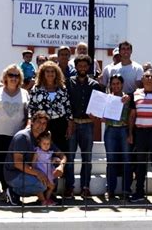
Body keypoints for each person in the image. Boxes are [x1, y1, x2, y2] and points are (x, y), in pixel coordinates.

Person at [0, 64, 30, 200]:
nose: (13, 78)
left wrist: (26, 130)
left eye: (16, 76)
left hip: (16, 136)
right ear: (5, 77)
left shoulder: (25, 93)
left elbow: (28, 115)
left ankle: (10, 190)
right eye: (11, 75)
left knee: (12, 164)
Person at [4, 111, 65, 205]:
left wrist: (61, 166)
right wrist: (38, 173)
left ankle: (44, 196)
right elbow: (18, 163)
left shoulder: (44, 138)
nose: (41, 125)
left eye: (44, 123)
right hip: (14, 173)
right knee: (42, 185)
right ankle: (13, 191)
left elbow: (62, 155)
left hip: (31, 171)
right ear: (32, 122)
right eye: (39, 122)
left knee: (52, 172)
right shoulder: (23, 137)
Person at [65, 55, 102, 198]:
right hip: (72, 125)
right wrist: (69, 122)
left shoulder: (95, 85)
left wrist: (97, 115)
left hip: (87, 125)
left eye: (85, 66)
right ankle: (69, 187)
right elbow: (65, 104)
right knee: (70, 158)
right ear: (76, 67)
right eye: (79, 66)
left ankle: (85, 187)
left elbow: (100, 106)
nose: (82, 68)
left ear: (88, 67)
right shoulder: (68, 83)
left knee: (87, 158)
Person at [128, 69, 152, 204]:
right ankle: (139, 193)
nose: (149, 78)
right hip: (140, 133)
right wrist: (130, 133)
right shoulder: (136, 94)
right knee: (140, 165)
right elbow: (132, 115)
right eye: (147, 76)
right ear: (142, 80)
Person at [29, 61, 73, 163]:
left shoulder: (62, 89)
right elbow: (31, 108)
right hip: (43, 125)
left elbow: (68, 107)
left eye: (52, 71)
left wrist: (70, 124)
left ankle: (59, 176)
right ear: (43, 74)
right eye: (47, 71)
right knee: (44, 151)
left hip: (60, 124)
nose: (50, 74)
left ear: (56, 73)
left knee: (60, 151)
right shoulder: (36, 89)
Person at [102, 74, 132, 200]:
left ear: (122, 84)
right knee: (111, 160)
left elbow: (132, 117)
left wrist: (130, 134)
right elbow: (102, 116)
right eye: (113, 84)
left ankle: (126, 190)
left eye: (117, 83)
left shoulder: (129, 98)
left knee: (126, 160)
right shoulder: (106, 98)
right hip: (110, 131)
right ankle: (110, 189)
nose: (115, 86)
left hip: (124, 130)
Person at [33, 131, 67, 206]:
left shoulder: (50, 152)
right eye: (44, 144)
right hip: (41, 171)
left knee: (52, 186)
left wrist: (55, 159)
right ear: (39, 143)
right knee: (40, 187)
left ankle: (47, 199)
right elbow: (33, 162)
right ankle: (42, 200)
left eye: (48, 144)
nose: (46, 146)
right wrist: (34, 171)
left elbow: (49, 160)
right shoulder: (37, 151)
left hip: (48, 171)